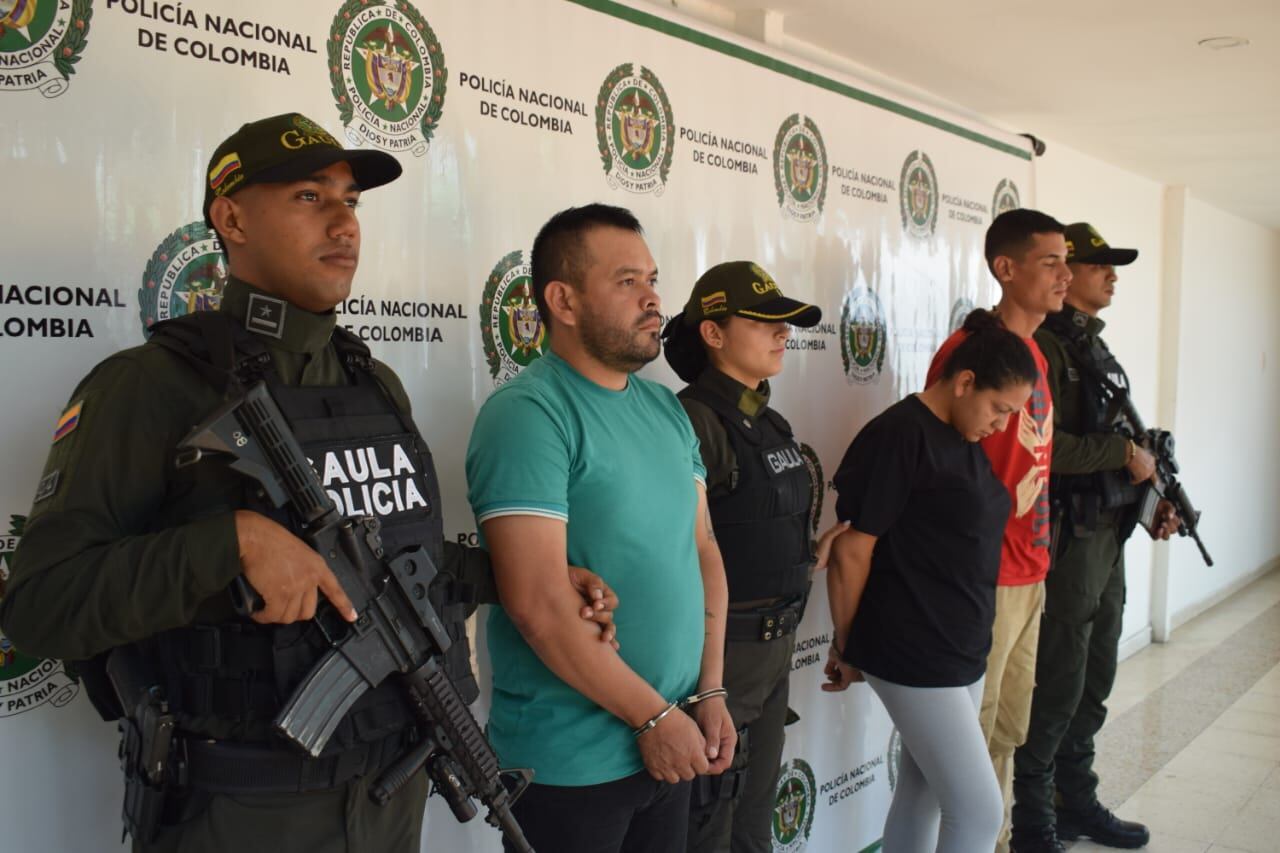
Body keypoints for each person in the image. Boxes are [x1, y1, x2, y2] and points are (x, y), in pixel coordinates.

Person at [0, 113, 615, 853]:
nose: (343, 223)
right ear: (231, 218)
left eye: (350, 200)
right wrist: (230, 546)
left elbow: (395, 561)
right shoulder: (148, 387)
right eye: (308, 197)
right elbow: (38, 605)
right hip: (243, 814)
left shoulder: (374, 383)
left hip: (388, 797)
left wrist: (533, 579)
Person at [466, 203, 736, 853]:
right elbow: (536, 605)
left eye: (652, 278)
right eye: (626, 282)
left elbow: (701, 549)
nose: (654, 299)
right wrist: (651, 714)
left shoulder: (666, 410)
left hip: (672, 737)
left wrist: (711, 687)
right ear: (562, 299)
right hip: (572, 762)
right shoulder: (528, 414)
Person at [824, 312, 1040, 852]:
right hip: (916, 649)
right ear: (964, 382)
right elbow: (851, 551)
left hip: (961, 645)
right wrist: (848, 642)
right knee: (978, 810)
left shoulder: (961, 433)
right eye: (998, 409)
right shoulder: (899, 435)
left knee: (922, 794)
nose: (1001, 425)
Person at [661, 260, 848, 853]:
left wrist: (808, 556)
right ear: (712, 334)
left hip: (772, 650)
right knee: (708, 822)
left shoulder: (766, 420)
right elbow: (676, 549)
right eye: (764, 320)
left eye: (785, 322)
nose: (782, 332)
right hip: (721, 657)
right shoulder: (692, 421)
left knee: (752, 822)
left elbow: (749, 523)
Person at [1010, 223, 1177, 852]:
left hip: (1106, 537)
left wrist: (1153, 499)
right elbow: (1040, 449)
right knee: (1059, 677)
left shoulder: (1094, 350)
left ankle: (1075, 798)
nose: (1110, 276)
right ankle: (1034, 819)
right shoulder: (1043, 349)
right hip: (1068, 540)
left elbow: (1123, 450)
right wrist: (1121, 453)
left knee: (1096, 674)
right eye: (1096, 264)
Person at [925, 208, 1071, 853]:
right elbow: (937, 463)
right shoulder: (968, 353)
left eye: (1067, 261)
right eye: (1051, 262)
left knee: (1008, 730)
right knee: (969, 740)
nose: (1066, 275)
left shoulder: (1037, 351)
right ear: (1005, 269)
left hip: (1031, 569)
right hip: (981, 576)